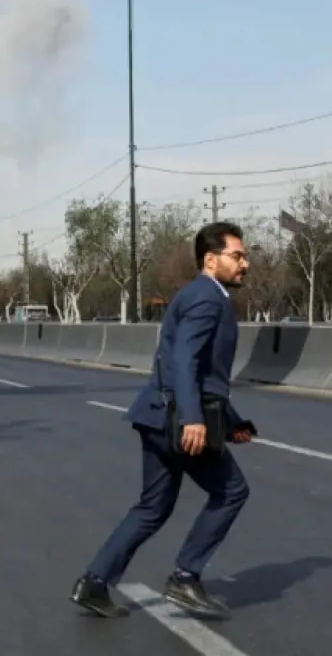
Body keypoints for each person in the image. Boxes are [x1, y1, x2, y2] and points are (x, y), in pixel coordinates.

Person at [70, 221, 255, 620]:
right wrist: (192, 419)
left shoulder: (195, 294)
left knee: (152, 507)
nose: (246, 263)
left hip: (156, 416)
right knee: (232, 491)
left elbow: (202, 374)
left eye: (245, 256)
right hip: (179, 420)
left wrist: (233, 423)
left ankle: (94, 582)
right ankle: (186, 576)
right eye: (238, 256)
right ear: (211, 260)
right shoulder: (209, 298)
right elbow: (184, 361)